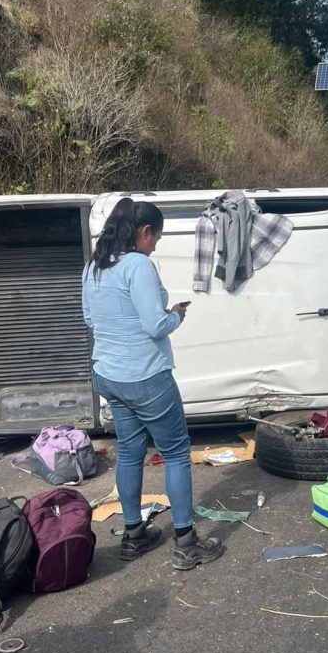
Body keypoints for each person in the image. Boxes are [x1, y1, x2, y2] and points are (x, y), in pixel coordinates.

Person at [81, 197, 224, 569]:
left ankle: (134, 535)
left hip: (108, 375)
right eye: (156, 238)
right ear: (144, 232)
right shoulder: (138, 265)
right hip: (145, 376)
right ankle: (187, 543)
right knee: (175, 452)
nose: (156, 245)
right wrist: (175, 315)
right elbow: (155, 326)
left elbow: (90, 319)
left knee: (130, 452)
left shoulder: (94, 266)